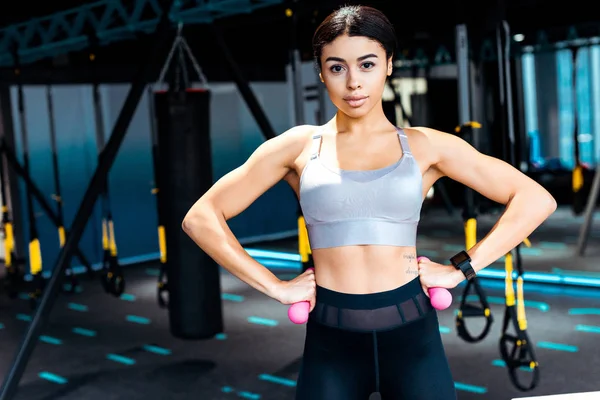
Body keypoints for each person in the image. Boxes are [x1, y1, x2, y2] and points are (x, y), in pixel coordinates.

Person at [182, 5, 557, 400]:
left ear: (389, 65)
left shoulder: (425, 146)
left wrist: (460, 269)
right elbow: (200, 218)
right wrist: (275, 287)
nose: (353, 83)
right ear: (322, 72)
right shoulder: (296, 147)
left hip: (413, 339)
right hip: (331, 344)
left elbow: (535, 199)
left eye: (366, 64)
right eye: (337, 67)